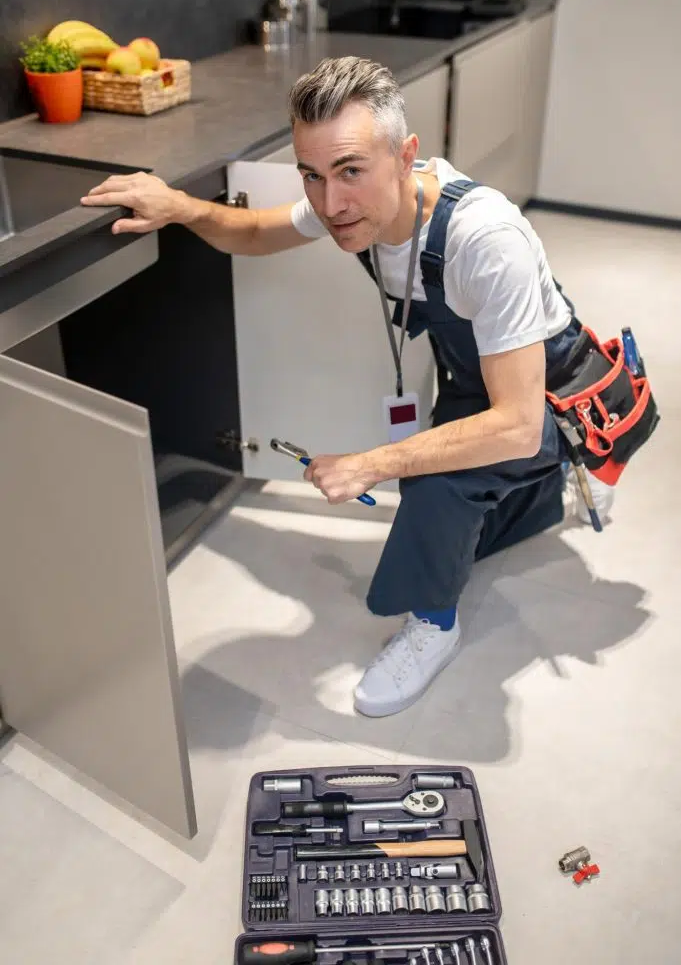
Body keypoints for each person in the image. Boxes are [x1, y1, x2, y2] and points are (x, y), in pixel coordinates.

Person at [81, 55, 614, 718]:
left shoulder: (484, 238)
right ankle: (545, 495)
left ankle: (435, 622)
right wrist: (178, 206)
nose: (330, 204)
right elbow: (253, 232)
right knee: (455, 499)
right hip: (474, 368)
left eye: (350, 172)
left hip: (547, 389)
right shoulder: (349, 201)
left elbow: (511, 421)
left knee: (434, 482)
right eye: (312, 174)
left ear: (404, 156)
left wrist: (371, 463)